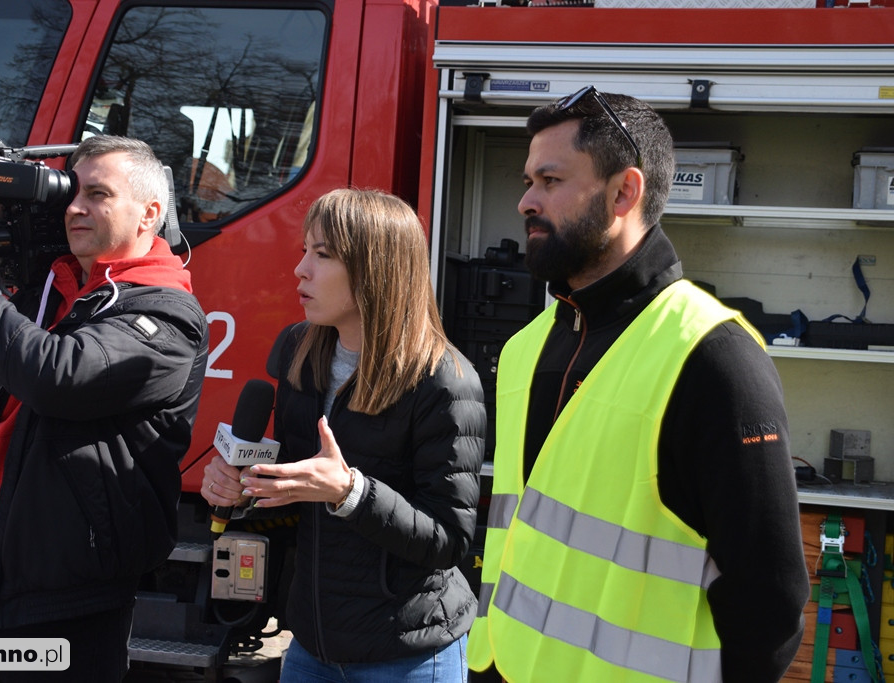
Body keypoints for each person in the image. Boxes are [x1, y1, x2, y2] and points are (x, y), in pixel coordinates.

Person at [466, 87, 809, 682]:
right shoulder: (527, 347)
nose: (525, 201)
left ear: (625, 191)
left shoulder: (712, 357)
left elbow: (769, 603)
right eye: (527, 181)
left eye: (549, 180)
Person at [0, 135, 209, 682]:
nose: (74, 207)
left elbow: (55, 377)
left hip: (62, 612)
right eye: (72, 192)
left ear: (150, 214)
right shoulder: (46, 294)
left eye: (97, 194)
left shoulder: (166, 317)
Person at [200, 188, 486, 682]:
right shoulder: (297, 348)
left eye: (323, 255)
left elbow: (449, 540)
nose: (301, 270)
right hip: (311, 647)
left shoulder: (446, 381)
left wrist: (351, 492)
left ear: (376, 270)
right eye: (304, 251)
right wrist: (244, 491)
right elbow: (296, 489)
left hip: (407, 654)